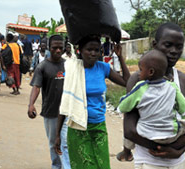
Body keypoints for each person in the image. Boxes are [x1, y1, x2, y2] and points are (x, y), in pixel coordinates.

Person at [121, 23, 185, 169]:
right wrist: (164, 149)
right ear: (155, 44)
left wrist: (178, 152)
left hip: (177, 161)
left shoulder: (184, 81)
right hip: (148, 161)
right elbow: (129, 130)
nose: (174, 51)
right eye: (168, 45)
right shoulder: (138, 80)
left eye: (179, 47)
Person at [55, 35, 130, 169]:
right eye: (89, 49)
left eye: (97, 50)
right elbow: (65, 103)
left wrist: (120, 57)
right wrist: (57, 135)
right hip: (78, 127)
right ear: (80, 50)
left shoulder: (103, 68)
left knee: (102, 165)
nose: (93, 53)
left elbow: (127, 82)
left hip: (98, 126)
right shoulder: (72, 70)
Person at [117, 50, 185, 160]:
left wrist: (121, 103)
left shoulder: (140, 87)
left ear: (151, 72)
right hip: (170, 135)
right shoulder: (172, 87)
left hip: (145, 134)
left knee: (129, 131)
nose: (139, 73)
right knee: (184, 125)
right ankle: (179, 143)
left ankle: (127, 151)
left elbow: (124, 106)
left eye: (141, 70)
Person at [28, 35, 65, 169]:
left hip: (67, 112)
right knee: (53, 141)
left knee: (66, 142)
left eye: (61, 48)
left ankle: (66, 165)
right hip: (51, 112)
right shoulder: (42, 67)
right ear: (50, 48)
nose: (58, 51)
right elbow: (36, 87)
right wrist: (31, 104)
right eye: (55, 48)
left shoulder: (68, 65)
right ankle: (56, 165)